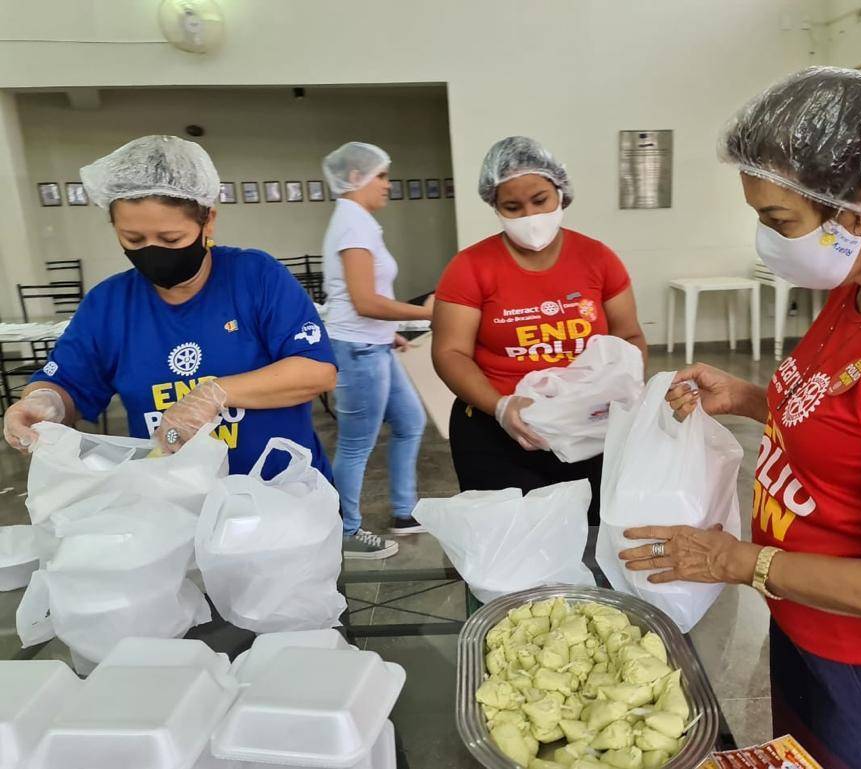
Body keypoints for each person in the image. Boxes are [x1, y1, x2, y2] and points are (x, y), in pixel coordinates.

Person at [618, 67, 861, 769]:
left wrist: (736, 560)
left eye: (779, 220)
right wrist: (749, 399)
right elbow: (851, 413)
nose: (767, 241)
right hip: (807, 623)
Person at [2, 135, 337, 484]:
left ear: (208, 222)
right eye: (133, 239)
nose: (153, 252)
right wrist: (43, 404)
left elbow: (316, 371)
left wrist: (215, 394)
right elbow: (66, 383)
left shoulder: (255, 277)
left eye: (170, 239)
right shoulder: (109, 305)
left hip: (280, 497)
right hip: (174, 504)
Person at [432, 136, 646, 523]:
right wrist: (501, 407)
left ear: (561, 194)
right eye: (512, 207)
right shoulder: (470, 268)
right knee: (511, 543)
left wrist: (621, 390)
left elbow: (629, 336)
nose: (530, 216)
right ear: (494, 206)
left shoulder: (597, 258)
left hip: (588, 429)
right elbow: (450, 353)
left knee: (592, 534)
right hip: (497, 429)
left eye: (540, 200)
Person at [321, 142, 432, 559]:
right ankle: (346, 531)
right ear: (355, 178)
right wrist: (424, 315)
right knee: (355, 444)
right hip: (358, 348)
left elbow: (368, 300)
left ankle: (404, 512)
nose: (388, 184)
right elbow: (366, 301)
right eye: (382, 175)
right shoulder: (352, 224)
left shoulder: (360, 221)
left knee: (410, 422)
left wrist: (392, 332)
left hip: (376, 343)